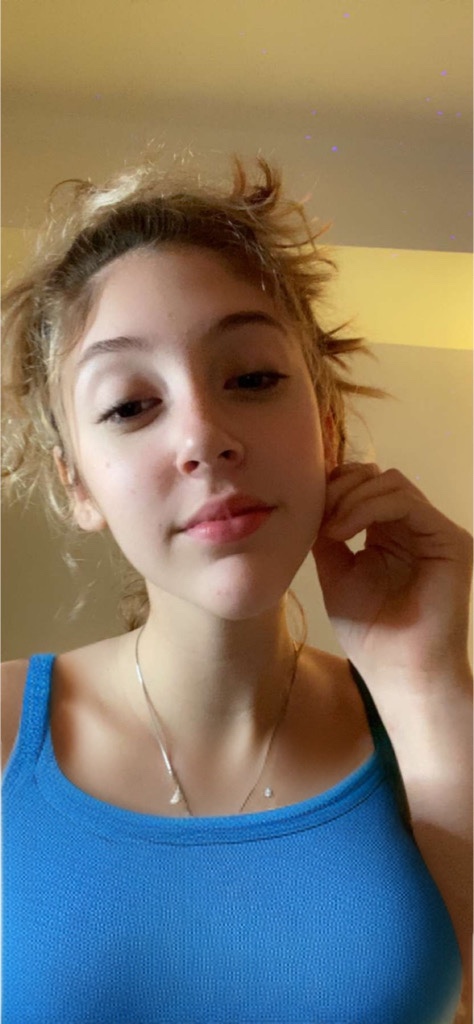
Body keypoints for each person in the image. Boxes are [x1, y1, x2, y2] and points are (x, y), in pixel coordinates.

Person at [2, 156, 472, 1024]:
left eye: (251, 378)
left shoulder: (434, 733)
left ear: (327, 424)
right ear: (77, 487)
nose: (204, 437)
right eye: (130, 405)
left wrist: (430, 683)